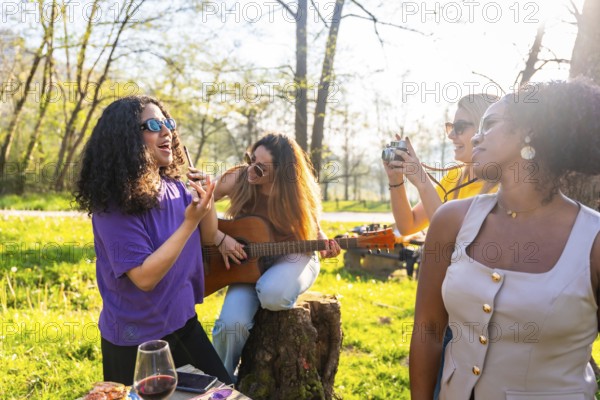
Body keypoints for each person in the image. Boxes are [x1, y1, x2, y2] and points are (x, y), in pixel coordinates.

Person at [410, 79, 600, 399]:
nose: (477, 137)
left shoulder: (593, 241)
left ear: (530, 132)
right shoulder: (451, 221)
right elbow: (428, 328)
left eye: (490, 124)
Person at [74, 95, 232, 385]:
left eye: (168, 122)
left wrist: (208, 199)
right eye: (153, 124)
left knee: (224, 391)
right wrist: (190, 222)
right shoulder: (113, 206)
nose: (167, 131)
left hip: (182, 323)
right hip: (136, 341)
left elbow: (208, 237)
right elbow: (145, 277)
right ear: (126, 139)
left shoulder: (173, 186)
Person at [189, 132, 341, 378]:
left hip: (294, 256)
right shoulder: (239, 177)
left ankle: (266, 290)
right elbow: (198, 201)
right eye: (250, 159)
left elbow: (315, 228)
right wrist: (219, 237)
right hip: (247, 265)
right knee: (230, 326)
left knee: (272, 293)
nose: (251, 169)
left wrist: (324, 241)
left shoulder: (297, 191)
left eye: (260, 169)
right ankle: (221, 384)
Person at [384, 93, 499, 236]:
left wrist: (422, 181)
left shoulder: (501, 190)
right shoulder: (454, 178)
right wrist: (395, 181)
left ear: (485, 130)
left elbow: (454, 240)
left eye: (460, 127)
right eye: (451, 127)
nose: (451, 135)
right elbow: (408, 226)